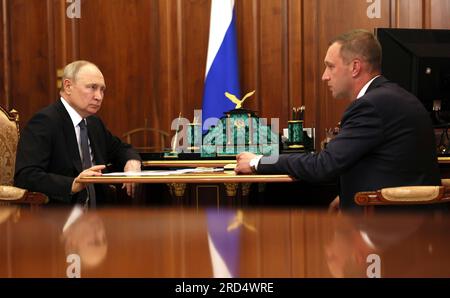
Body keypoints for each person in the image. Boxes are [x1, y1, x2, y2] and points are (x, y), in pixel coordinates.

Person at [235, 29, 440, 210]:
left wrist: (257, 161)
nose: (325, 76)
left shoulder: (371, 106)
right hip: (406, 219)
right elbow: (388, 165)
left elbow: (323, 166)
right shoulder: (394, 96)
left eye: (330, 66)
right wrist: (346, 196)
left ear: (355, 67)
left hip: (387, 229)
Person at [14, 60, 142, 206]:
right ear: (68, 86)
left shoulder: (93, 123)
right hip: (61, 219)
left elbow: (121, 149)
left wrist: (132, 162)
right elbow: (26, 176)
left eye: (102, 90)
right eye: (92, 88)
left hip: (101, 217)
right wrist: (73, 184)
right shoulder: (45, 121)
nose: (99, 96)